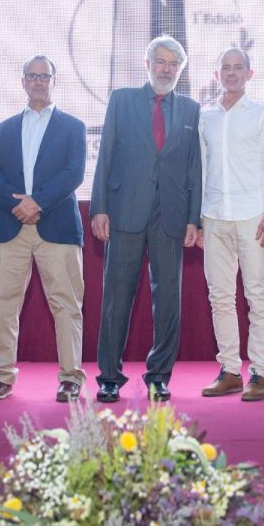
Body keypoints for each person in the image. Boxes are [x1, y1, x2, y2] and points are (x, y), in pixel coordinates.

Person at [90, 35, 201, 403]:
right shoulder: (121, 100)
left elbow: (193, 168)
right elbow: (106, 154)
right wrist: (99, 207)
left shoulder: (191, 109)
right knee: (116, 298)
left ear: (180, 70)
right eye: (161, 61)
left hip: (171, 216)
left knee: (168, 300)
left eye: (174, 64)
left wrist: (193, 218)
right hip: (125, 211)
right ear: (147, 64)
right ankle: (109, 376)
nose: (166, 69)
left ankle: (159, 376)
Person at [0, 56, 87, 402]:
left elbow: (73, 173)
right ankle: (1, 376)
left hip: (56, 225)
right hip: (9, 225)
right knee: (4, 303)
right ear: (23, 81)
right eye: (32, 76)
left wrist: (37, 202)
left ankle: (70, 377)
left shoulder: (73, 126)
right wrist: (18, 205)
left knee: (66, 304)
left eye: (45, 76)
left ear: (54, 81)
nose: (39, 81)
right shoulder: (4, 129)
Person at [197, 48, 264, 402]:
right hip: (213, 216)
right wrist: (197, 219)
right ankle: (230, 371)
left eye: (238, 68)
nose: (231, 73)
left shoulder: (263, 116)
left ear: (250, 74)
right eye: (225, 68)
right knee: (219, 296)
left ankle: (260, 374)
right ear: (216, 74)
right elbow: (200, 170)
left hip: (254, 217)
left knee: (257, 295)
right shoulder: (204, 118)